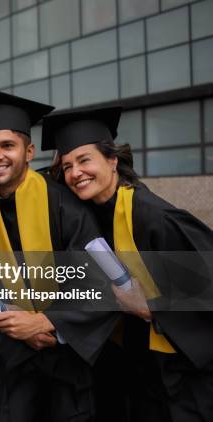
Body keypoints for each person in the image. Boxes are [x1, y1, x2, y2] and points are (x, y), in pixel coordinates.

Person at [46, 107, 213, 422]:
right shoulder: (95, 214)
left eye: (84, 160)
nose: (74, 173)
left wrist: (151, 307)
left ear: (112, 160)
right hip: (135, 365)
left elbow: (207, 288)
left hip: (181, 375)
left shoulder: (152, 216)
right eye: (67, 166)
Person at [0, 89, 118, 422]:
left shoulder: (66, 204)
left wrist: (47, 324)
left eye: (7, 146)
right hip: (11, 355)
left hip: (65, 356)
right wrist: (6, 321)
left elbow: (99, 281)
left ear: (28, 151)